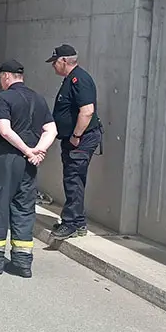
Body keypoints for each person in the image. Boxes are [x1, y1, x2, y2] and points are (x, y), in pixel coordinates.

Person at [0, 60, 57, 278]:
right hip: (29, 165)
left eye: (1, 77)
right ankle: (22, 263)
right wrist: (38, 151)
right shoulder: (38, 98)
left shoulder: (4, 97)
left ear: (6, 76)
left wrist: (27, 150)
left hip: (7, 160)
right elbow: (51, 130)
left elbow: (5, 131)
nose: (0, 81)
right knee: (24, 209)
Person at [47, 44, 102, 240]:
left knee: (73, 179)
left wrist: (76, 136)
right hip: (75, 138)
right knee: (74, 179)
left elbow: (87, 111)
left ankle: (69, 224)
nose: (53, 66)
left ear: (63, 61)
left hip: (81, 139)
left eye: (54, 62)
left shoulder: (80, 79)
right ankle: (78, 222)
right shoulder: (71, 79)